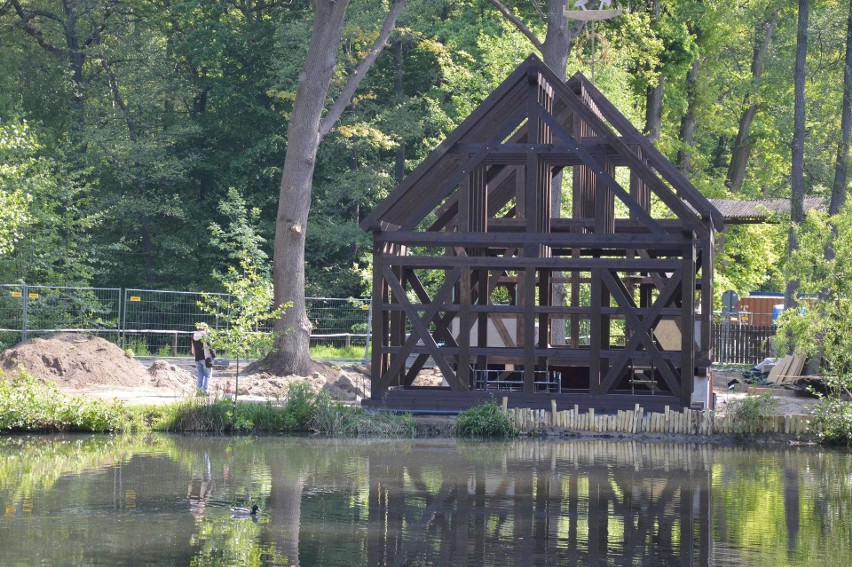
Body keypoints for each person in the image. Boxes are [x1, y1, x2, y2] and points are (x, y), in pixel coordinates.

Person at [191, 323, 215, 394]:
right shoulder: (205, 335)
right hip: (206, 358)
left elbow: (193, 349)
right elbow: (209, 346)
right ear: (205, 328)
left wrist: (195, 355)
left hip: (197, 358)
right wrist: (213, 355)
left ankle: (198, 392)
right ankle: (205, 392)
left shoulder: (194, 335)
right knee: (208, 375)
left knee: (200, 375)